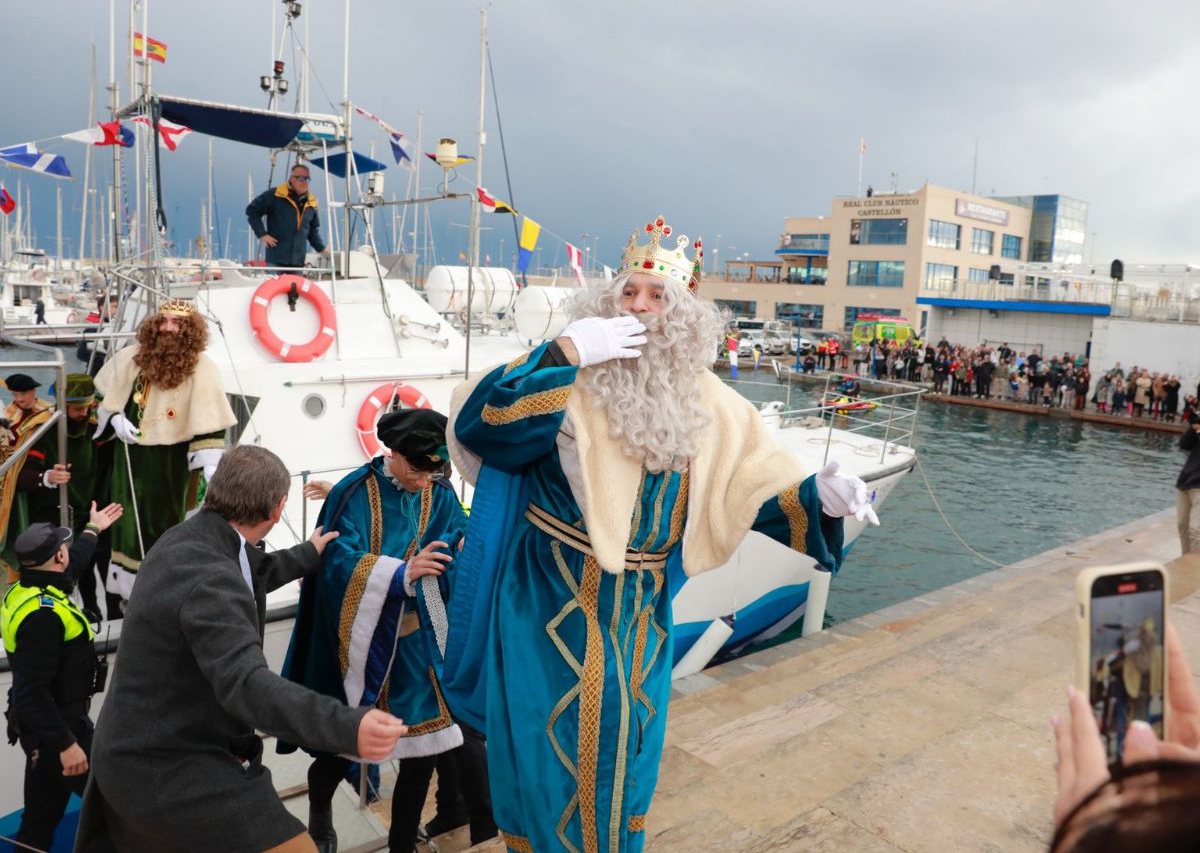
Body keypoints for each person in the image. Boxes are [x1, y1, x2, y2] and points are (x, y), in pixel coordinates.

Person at [444, 216, 877, 852]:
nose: (642, 308)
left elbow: (753, 487)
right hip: (547, 595)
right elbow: (485, 427)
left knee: (629, 744)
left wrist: (824, 498)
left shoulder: (713, 402)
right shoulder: (570, 374)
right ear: (608, 299)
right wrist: (563, 354)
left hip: (640, 607)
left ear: (684, 313)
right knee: (548, 748)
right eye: (630, 292)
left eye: (658, 296)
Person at [76, 445, 408, 853]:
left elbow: (251, 571)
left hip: (137, 746)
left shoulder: (188, 540)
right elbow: (247, 684)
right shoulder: (211, 579)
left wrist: (308, 554)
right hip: (167, 766)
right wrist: (347, 726)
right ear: (278, 508)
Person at [283, 409, 496, 852]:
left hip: (416, 643)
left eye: (434, 471)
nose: (426, 480)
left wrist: (462, 544)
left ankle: (401, 845)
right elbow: (338, 561)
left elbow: (455, 530)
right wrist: (401, 574)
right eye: (418, 469)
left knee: (421, 754)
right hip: (353, 647)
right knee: (337, 751)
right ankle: (320, 810)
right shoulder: (351, 493)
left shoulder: (436, 488)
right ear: (393, 454)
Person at [92, 298, 237, 600]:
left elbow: (210, 418)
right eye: (164, 320)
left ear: (189, 329)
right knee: (126, 520)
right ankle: (126, 593)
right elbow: (101, 394)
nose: (168, 327)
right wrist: (115, 417)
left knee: (164, 521)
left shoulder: (202, 368)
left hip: (169, 459)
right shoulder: (132, 356)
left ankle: (161, 587)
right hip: (129, 455)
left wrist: (210, 464)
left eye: (177, 322)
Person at [1, 505, 122, 851]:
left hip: (41, 732)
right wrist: (67, 746)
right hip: (60, 730)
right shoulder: (42, 618)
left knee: (38, 823)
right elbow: (31, 692)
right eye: (64, 546)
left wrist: (93, 529)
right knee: (119, 810)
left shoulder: (30, 587)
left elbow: (77, 562)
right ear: (58, 556)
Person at [1051, 624, 1200, 851]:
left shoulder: (1141, 651)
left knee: (1132, 725)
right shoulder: (1130, 650)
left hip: (1136, 696)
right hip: (1130, 695)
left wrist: (1081, 840)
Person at [16, 374, 119, 622]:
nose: (83, 413)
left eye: (87, 407)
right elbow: (23, 475)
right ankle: (86, 611)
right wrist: (47, 476)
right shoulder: (43, 430)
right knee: (72, 570)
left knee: (104, 564)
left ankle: (114, 616)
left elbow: (110, 464)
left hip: (92, 509)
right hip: (53, 516)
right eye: (76, 408)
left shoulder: (97, 430)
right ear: (63, 405)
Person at [1, 374, 54, 578]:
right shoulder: (8, 414)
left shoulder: (48, 412)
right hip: (15, 480)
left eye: (23, 394)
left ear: (33, 391)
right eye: (15, 394)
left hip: (40, 470)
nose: (19, 399)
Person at [245, 162, 330, 271]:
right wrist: (262, 234)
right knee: (275, 288)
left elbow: (312, 231)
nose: (304, 182)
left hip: (298, 262)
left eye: (307, 178)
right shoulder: (275, 195)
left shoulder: (311, 202)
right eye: (300, 178)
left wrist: (322, 249)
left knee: (295, 288)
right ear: (292, 179)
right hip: (276, 260)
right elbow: (252, 210)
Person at [76, 293, 121, 377]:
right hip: (97, 373)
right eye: (115, 306)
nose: (118, 309)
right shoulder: (93, 328)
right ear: (102, 308)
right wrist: (104, 360)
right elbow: (81, 353)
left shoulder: (119, 326)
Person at [1177, 408, 1200, 555]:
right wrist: (1193, 428)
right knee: (1182, 525)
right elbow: (1184, 444)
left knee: (1196, 530)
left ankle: (1195, 567)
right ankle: (1185, 559)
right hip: (1187, 480)